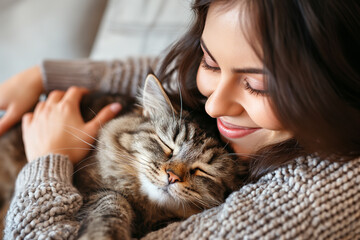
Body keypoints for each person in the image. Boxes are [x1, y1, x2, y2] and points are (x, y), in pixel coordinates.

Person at [2, 0, 360, 239]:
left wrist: (48, 161)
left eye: (257, 85)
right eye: (210, 62)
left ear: (331, 91)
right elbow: (161, 73)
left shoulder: (304, 204)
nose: (214, 105)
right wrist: (44, 76)